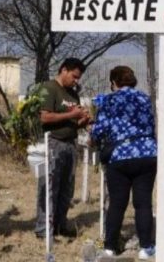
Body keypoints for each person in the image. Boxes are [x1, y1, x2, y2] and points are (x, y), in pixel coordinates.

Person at [89, 66, 157, 260]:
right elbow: (151, 125)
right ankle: (146, 248)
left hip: (120, 156)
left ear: (113, 83)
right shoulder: (144, 98)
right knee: (143, 203)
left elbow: (99, 130)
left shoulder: (108, 100)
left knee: (118, 203)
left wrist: (92, 135)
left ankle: (109, 247)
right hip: (147, 154)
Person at [35, 57, 91, 238]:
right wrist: (71, 114)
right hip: (53, 142)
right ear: (64, 70)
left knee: (67, 188)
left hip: (71, 143)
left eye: (78, 78)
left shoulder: (73, 94)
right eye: (74, 76)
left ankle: (60, 224)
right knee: (50, 187)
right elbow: (45, 117)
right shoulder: (49, 88)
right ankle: (44, 229)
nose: (76, 81)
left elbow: (73, 122)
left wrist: (83, 120)